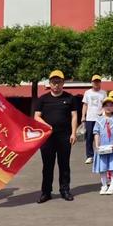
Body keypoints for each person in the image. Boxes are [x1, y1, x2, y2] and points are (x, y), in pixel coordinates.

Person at [34, 70, 78, 203]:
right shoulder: (43, 99)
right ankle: (46, 192)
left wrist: (74, 133)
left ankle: (64, 190)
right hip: (47, 137)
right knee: (47, 165)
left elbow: (74, 116)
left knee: (64, 164)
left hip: (64, 136)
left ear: (63, 83)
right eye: (54, 82)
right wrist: (47, 126)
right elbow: (36, 116)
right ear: (49, 83)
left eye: (59, 82)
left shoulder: (69, 98)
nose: (56, 85)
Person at [93, 97, 113, 195]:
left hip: (112, 145)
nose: (108, 107)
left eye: (110, 105)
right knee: (102, 166)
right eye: (106, 105)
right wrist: (97, 145)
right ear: (103, 107)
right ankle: (104, 185)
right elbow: (96, 132)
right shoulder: (98, 119)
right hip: (102, 145)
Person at [81, 75, 106, 165]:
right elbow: (85, 105)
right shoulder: (87, 93)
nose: (96, 83)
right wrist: (83, 116)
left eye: (98, 81)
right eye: (94, 81)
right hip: (90, 118)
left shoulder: (103, 93)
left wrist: (102, 111)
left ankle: (100, 153)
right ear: (91, 82)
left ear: (100, 82)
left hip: (100, 118)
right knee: (89, 137)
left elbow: (105, 105)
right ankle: (89, 156)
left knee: (100, 136)